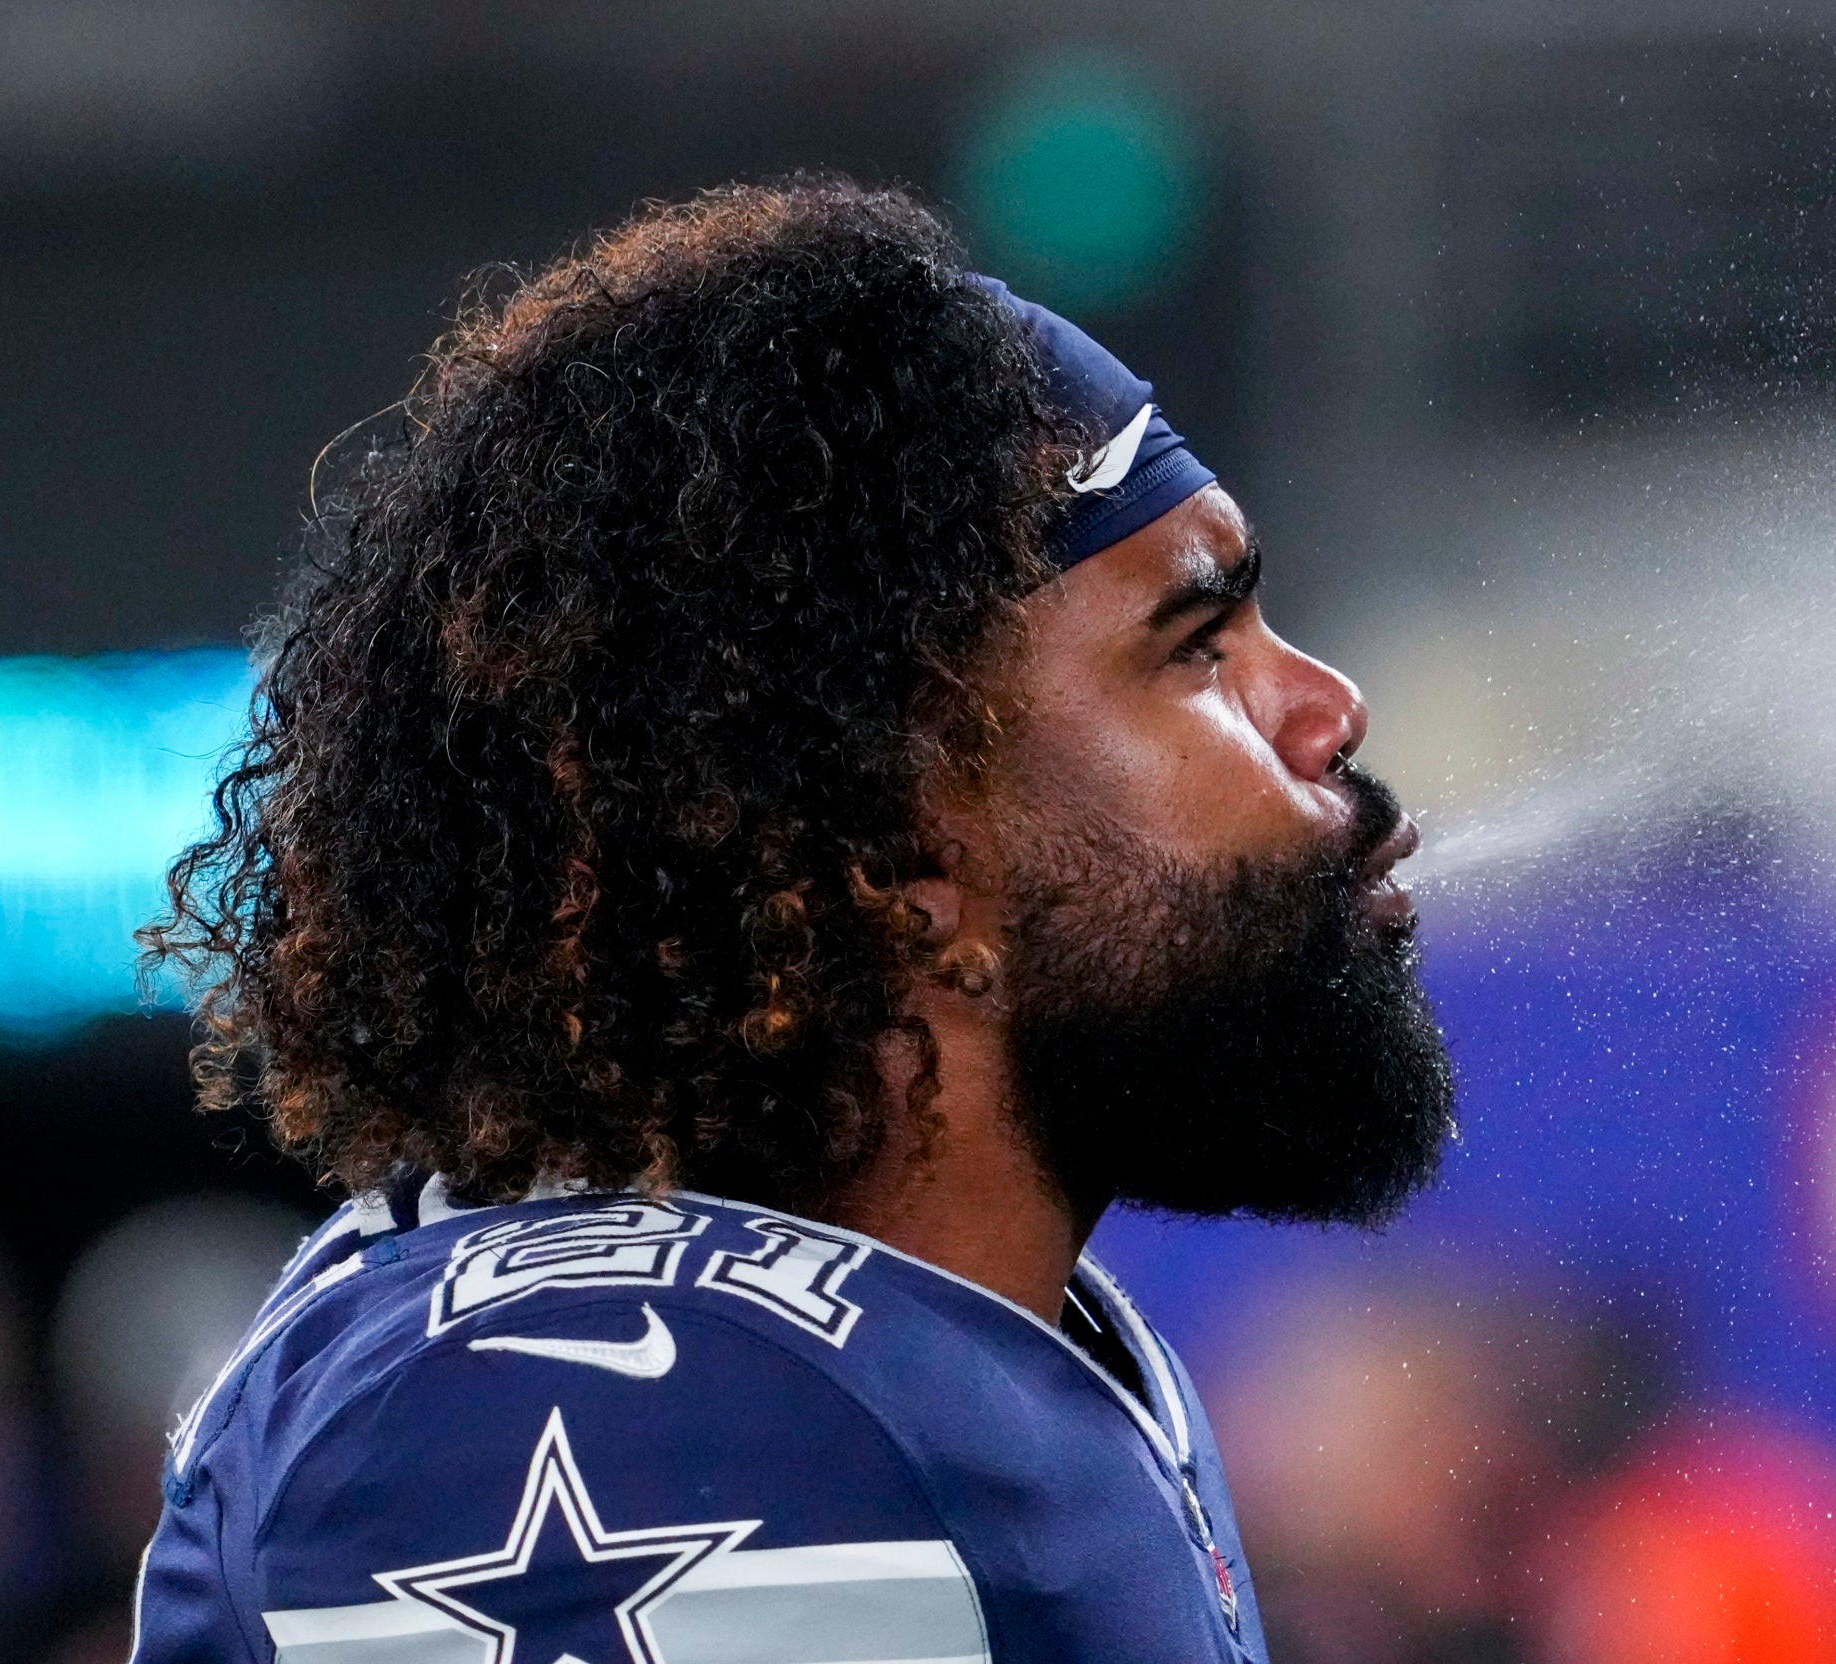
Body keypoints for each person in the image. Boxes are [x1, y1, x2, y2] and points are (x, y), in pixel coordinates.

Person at [129, 180, 1454, 1664]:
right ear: (893, 855)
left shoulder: (941, 1350)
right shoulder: (637, 1411)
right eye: (1197, 644)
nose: (1326, 708)